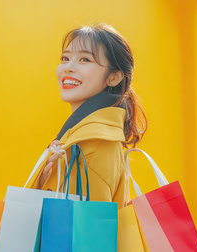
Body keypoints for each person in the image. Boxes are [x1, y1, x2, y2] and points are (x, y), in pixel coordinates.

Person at [25, 23, 147, 208]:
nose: (68, 67)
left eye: (85, 60)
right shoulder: (86, 135)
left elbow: (88, 232)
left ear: (113, 77)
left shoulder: (93, 143)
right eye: (65, 58)